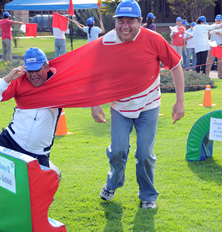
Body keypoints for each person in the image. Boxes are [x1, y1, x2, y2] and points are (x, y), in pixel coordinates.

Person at [91, 0, 185, 209]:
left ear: (140, 22)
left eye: (130, 21)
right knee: (118, 151)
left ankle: (148, 195)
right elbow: (95, 72)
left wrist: (180, 102)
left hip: (149, 107)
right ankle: (112, 184)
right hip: (120, 107)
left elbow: (176, 66)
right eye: (120, 21)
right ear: (114, 22)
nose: (125, 25)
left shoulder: (154, 39)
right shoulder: (106, 42)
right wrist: (95, 103)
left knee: (144, 154)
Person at [0, 48, 61, 179]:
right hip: (11, 140)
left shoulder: (60, 83)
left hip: (38, 151)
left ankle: (50, 169)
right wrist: (6, 79)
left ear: (46, 66)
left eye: (37, 70)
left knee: (40, 188)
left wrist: (94, 105)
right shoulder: (19, 80)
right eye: (30, 71)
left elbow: (83, 91)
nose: (33, 74)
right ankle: (3, 184)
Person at [205, 14, 222, 79]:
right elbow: (208, 35)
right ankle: (206, 75)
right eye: (217, 20)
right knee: (209, 60)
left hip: (220, 44)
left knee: (220, 61)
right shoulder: (212, 26)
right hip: (213, 44)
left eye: (219, 20)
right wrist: (207, 33)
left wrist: (220, 34)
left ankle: (220, 75)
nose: (218, 22)